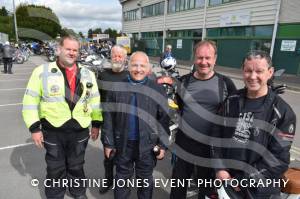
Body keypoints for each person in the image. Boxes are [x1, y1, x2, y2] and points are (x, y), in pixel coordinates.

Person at [22, 35, 102, 199]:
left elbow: (95, 101)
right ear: (59, 50)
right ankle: (55, 195)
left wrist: (96, 124)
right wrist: (34, 128)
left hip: (80, 130)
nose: (72, 53)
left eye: (75, 50)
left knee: (77, 166)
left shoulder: (88, 74)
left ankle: (78, 193)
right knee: (55, 168)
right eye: (68, 49)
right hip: (53, 130)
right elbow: (30, 101)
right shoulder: (42, 72)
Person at [213, 50, 296, 198]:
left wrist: (243, 180)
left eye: (259, 71)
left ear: (270, 72)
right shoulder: (231, 101)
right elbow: (216, 135)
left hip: (259, 191)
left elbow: (278, 159)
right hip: (226, 181)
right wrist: (220, 169)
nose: (252, 76)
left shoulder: (283, 113)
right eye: (248, 71)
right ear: (243, 71)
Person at [170, 40, 237, 199]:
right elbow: (179, 107)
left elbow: (233, 115)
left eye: (208, 58)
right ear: (194, 58)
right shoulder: (183, 82)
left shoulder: (225, 84)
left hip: (210, 148)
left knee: (206, 189)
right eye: (200, 57)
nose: (203, 62)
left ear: (215, 58)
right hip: (184, 144)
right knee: (178, 186)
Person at [101, 51, 170, 199]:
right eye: (134, 65)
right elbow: (108, 118)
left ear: (148, 68)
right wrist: (108, 143)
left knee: (145, 182)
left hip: (147, 146)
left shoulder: (157, 89)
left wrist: (163, 145)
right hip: (123, 145)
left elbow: (164, 120)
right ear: (128, 65)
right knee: (121, 180)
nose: (138, 69)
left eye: (142, 65)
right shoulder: (116, 87)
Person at [97, 45, 129, 194]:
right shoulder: (103, 75)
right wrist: (96, 124)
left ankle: (121, 183)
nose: (117, 58)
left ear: (125, 58)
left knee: (124, 156)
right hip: (108, 122)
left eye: (120, 56)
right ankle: (108, 180)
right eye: (114, 55)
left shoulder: (130, 75)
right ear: (110, 57)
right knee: (108, 155)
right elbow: (97, 100)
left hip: (126, 123)